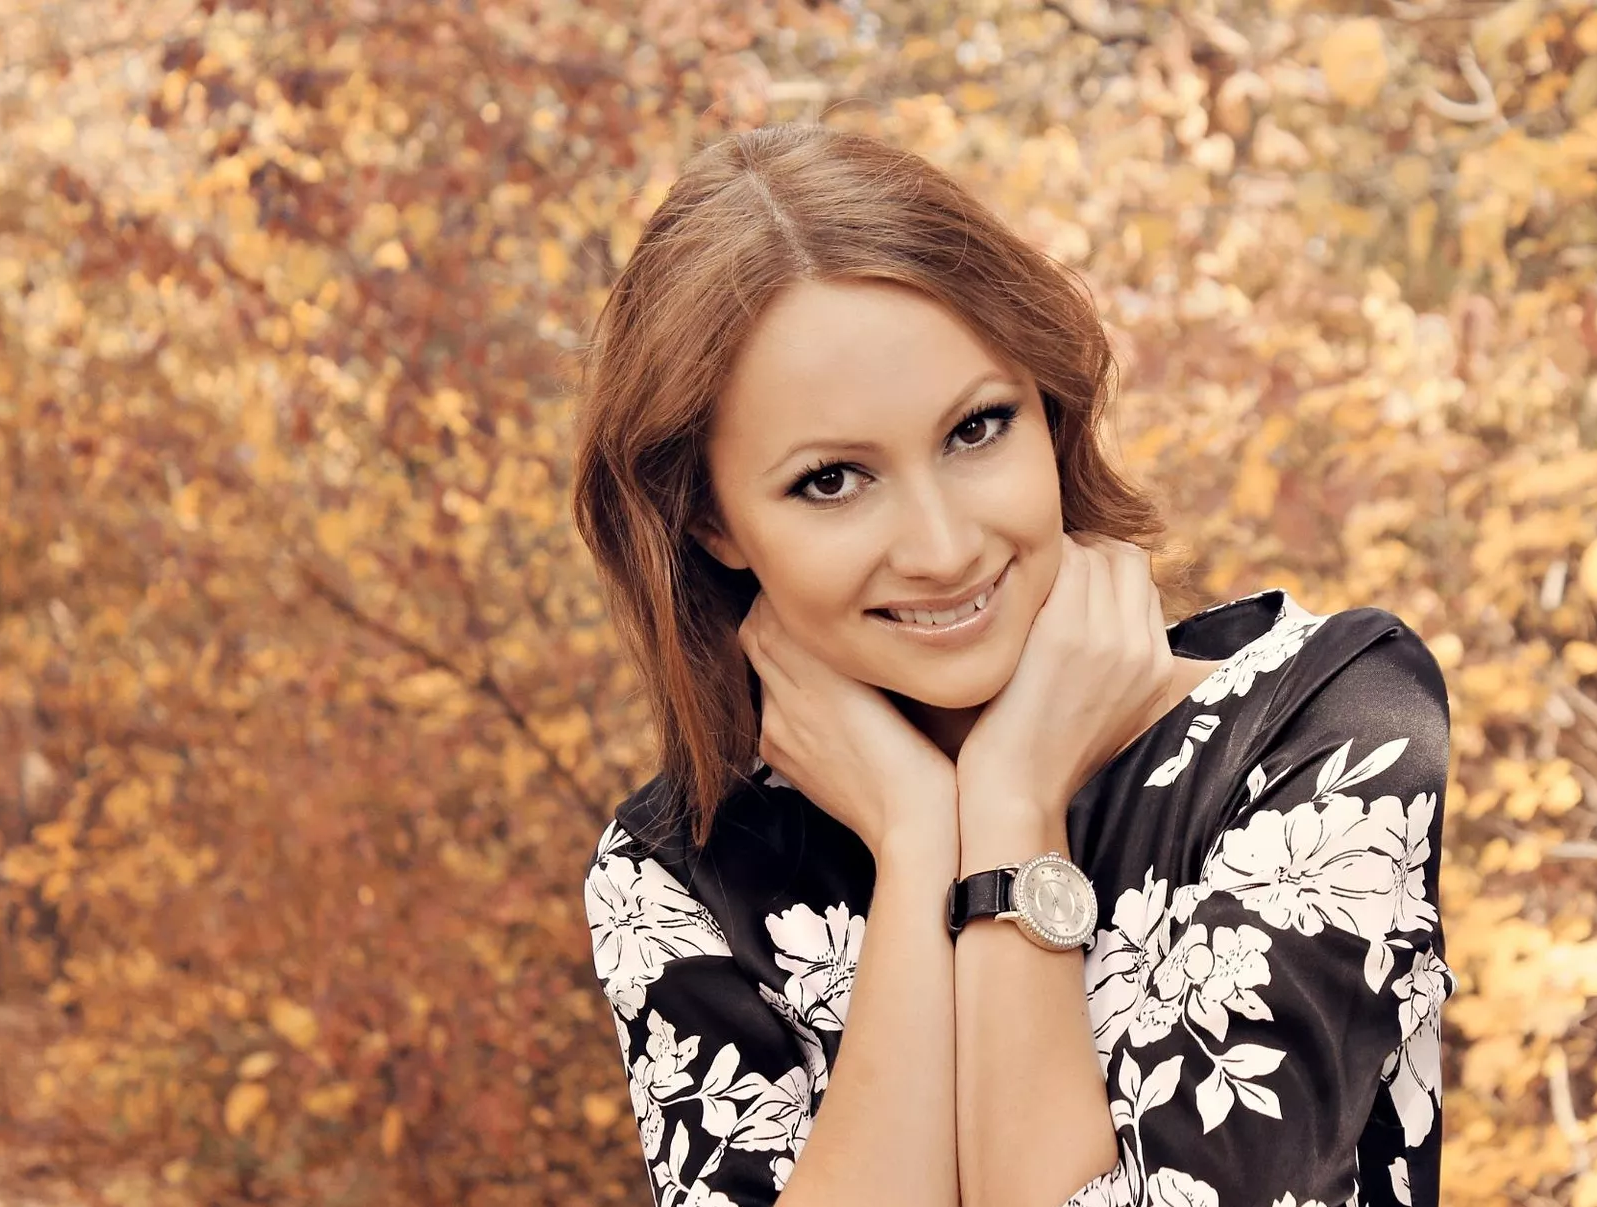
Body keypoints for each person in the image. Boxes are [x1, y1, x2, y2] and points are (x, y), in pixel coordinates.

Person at [571, 123, 1453, 1207]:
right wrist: (914, 839)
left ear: (1049, 406)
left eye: (977, 428)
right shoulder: (676, 874)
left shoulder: (1329, 727)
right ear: (711, 521)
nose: (943, 549)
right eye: (832, 480)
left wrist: (1012, 800)